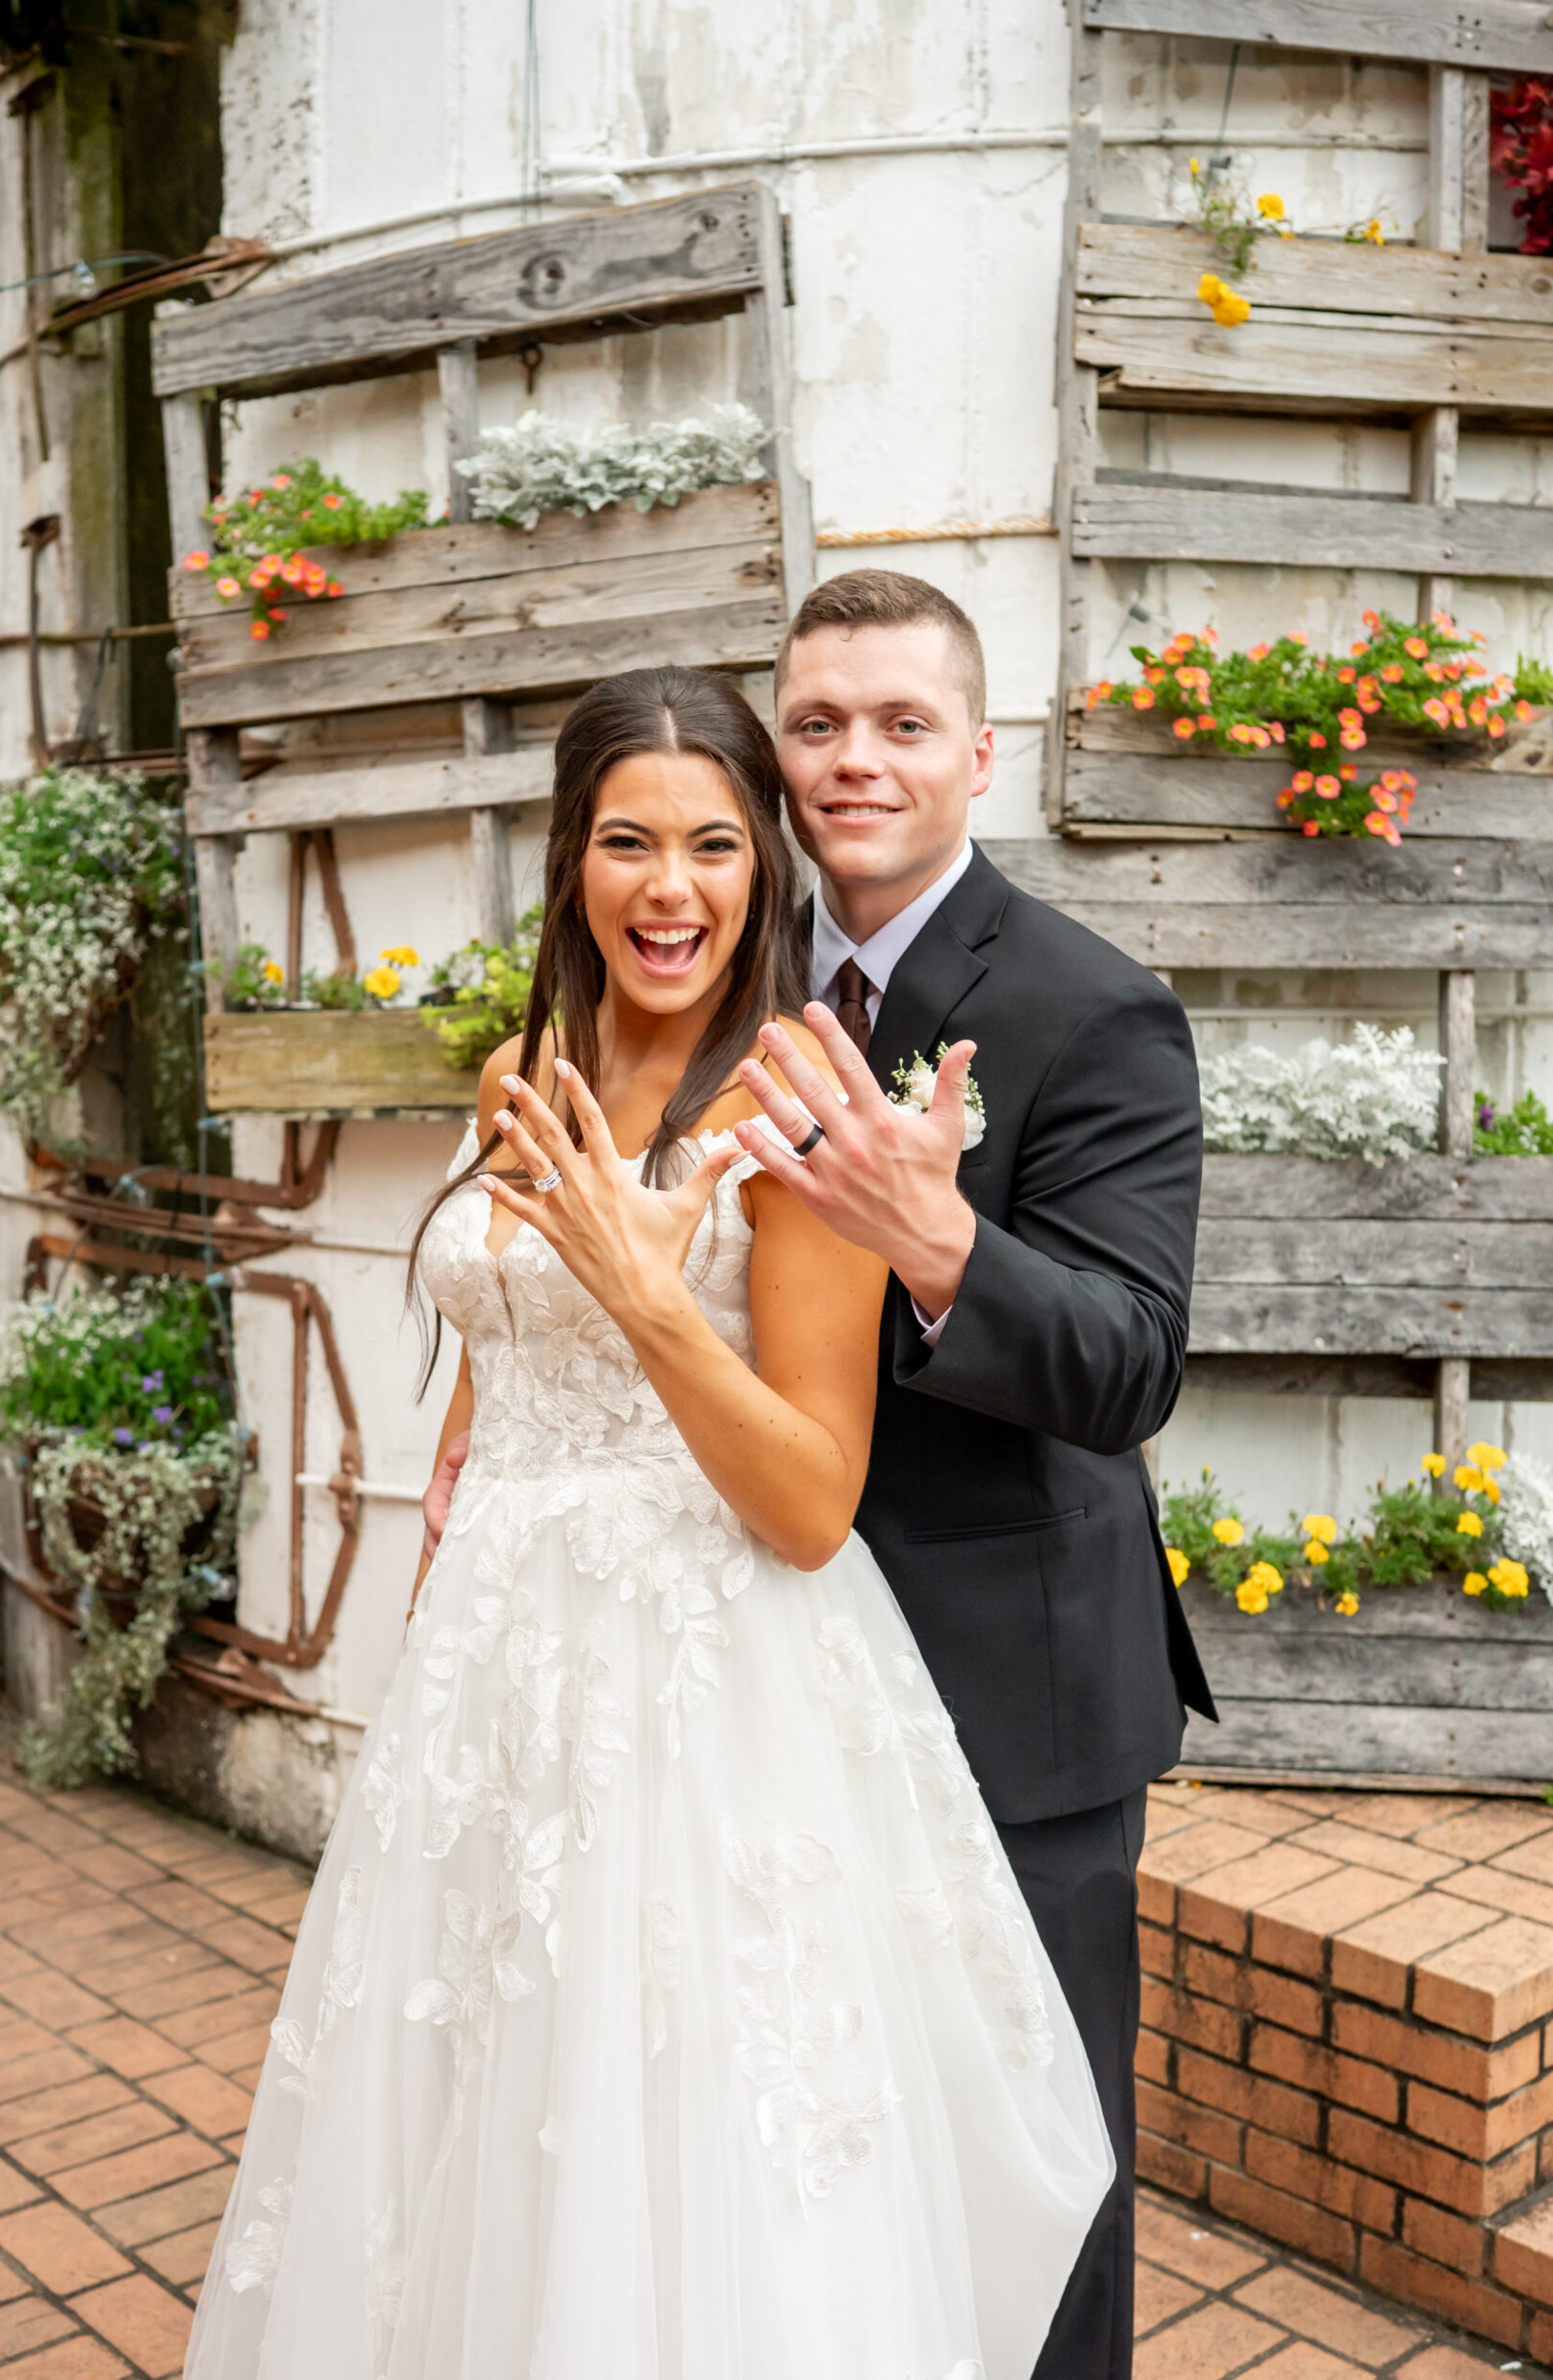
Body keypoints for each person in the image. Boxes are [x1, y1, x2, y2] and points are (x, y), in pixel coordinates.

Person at [185, 665, 1112, 2380]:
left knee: (672, 2140)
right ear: (572, 856)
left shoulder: (791, 1124)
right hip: (493, 1682)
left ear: (760, 865)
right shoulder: (518, 1073)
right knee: (468, 2110)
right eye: (626, 842)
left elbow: (816, 1506)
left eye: (708, 846)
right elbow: (503, 1315)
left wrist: (657, 1301)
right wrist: (477, 1451)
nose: (668, 889)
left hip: (703, 1698)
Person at [727, 568, 1214, 2380]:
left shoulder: (1098, 1011)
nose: (855, 760)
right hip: (782, 1678)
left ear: (980, 753)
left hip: (1018, 1697)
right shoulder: (734, 971)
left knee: (1039, 2159)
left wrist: (940, 1245)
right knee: (834, 2149)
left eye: (902, 723)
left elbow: (1129, 1365)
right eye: (820, 723)